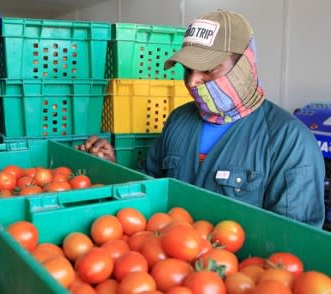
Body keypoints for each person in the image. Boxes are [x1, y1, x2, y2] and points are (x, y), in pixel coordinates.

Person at [76, 10, 325, 228]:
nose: (192, 81)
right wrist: (114, 167)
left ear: (245, 65)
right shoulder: (179, 120)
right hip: (167, 267)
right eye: (187, 69)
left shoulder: (290, 141)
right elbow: (151, 187)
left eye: (207, 69)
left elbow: (293, 241)